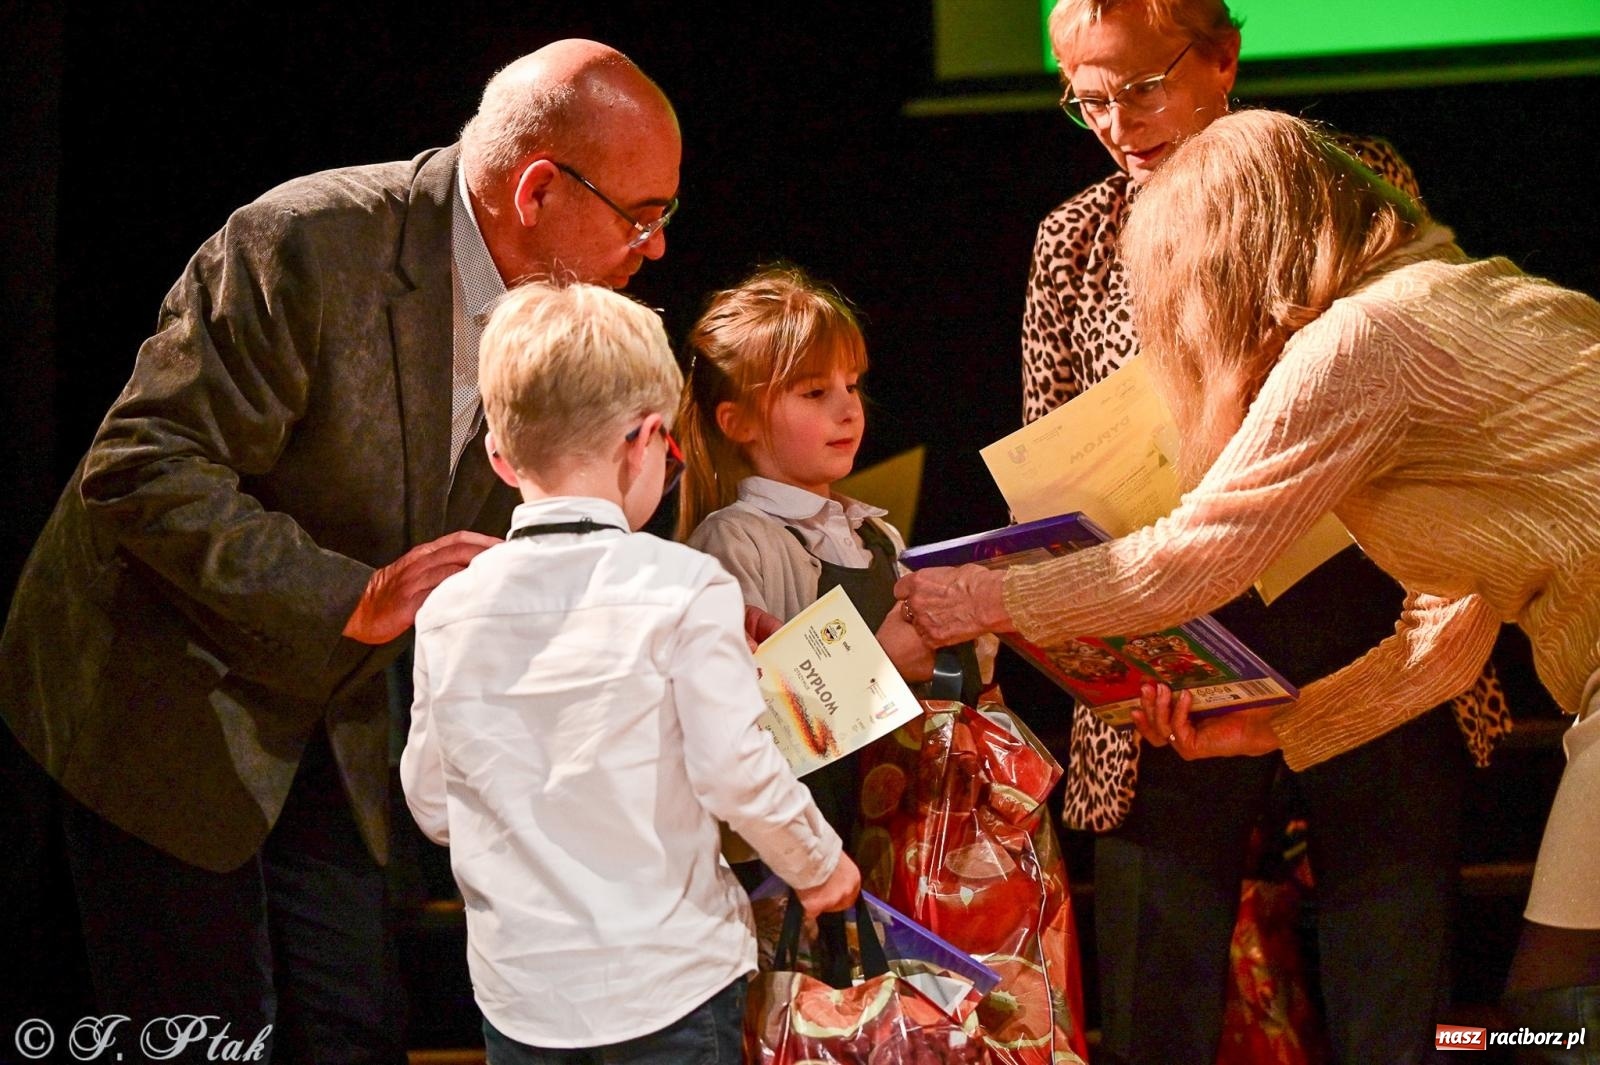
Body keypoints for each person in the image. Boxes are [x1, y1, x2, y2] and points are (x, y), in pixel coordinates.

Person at [0, 39, 680, 1062]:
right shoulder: (308, 245)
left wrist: (676, 607)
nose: (655, 247)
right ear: (538, 190)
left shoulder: (566, 317)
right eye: (641, 215)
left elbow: (548, 523)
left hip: (334, 705)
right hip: (161, 690)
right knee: (206, 1029)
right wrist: (352, 598)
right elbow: (141, 468)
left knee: (353, 1025)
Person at [899, 108, 1600, 1061]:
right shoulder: (1439, 298)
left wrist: (983, 598)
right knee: (1549, 1024)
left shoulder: (1362, 339)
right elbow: (1444, 637)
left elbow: (1196, 554)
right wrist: (1275, 730)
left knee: (1549, 1027)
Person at [1015, 3, 1506, 1062]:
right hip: (1178, 652)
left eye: (1139, 89)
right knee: (1155, 1001)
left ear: (1222, 58)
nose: (1116, 125)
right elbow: (1049, 478)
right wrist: (1110, 647)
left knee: (1394, 993)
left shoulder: (1346, 179)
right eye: (1087, 101)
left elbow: (1422, 393)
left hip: (1363, 624)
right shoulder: (1076, 239)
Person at [399, 280, 859, 1064]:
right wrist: (819, 864)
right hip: (670, 982)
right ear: (646, 441)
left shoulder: (450, 608)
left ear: (500, 456)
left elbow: (432, 801)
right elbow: (735, 770)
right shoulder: (685, 587)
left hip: (525, 996)